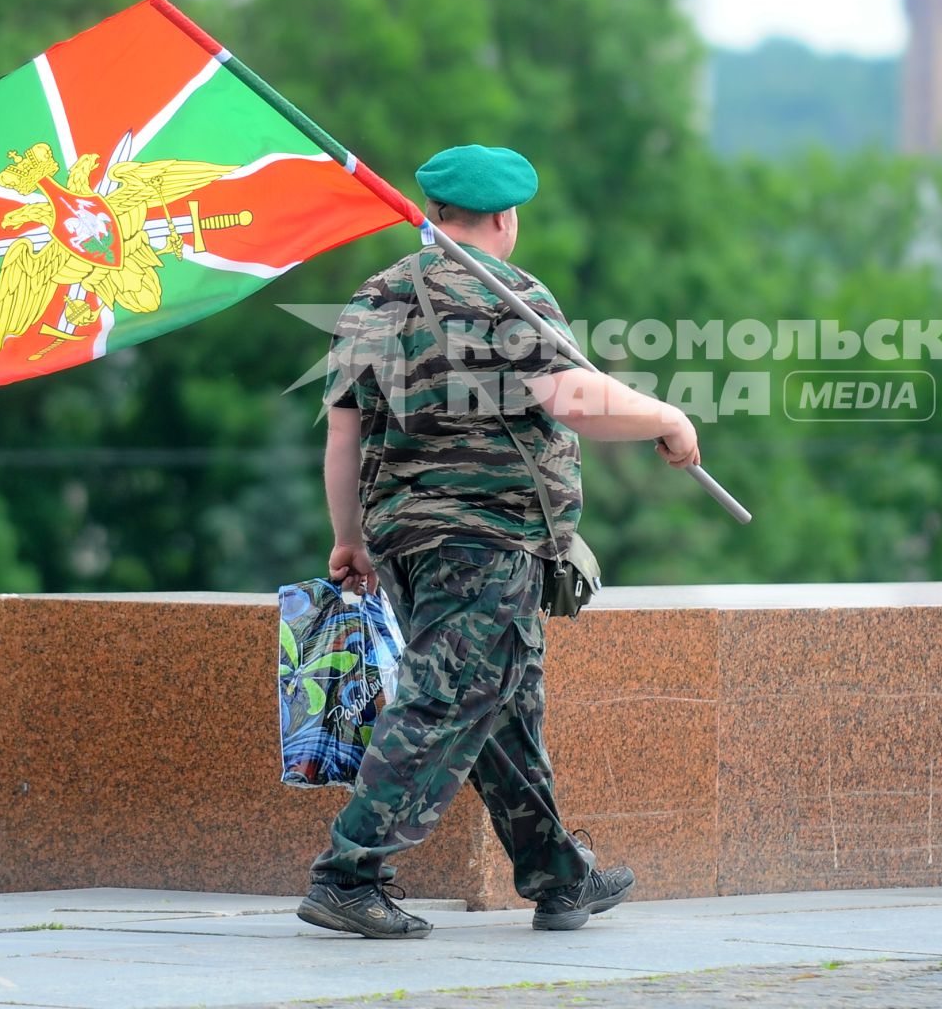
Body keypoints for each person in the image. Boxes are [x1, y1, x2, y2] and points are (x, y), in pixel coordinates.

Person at [299, 143, 702, 940]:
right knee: (444, 702)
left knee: (503, 707)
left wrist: (350, 537)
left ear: (439, 213)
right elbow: (572, 398)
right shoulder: (506, 293)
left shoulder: (374, 298)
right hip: (485, 543)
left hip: (405, 542)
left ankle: (559, 876)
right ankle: (348, 874)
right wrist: (668, 417)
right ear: (504, 217)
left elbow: (343, 434)